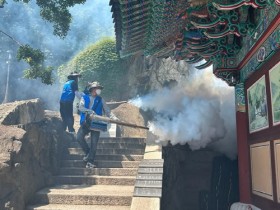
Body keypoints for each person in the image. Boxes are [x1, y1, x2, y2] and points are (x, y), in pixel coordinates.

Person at [77, 81, 117, 169]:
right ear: (92, 89)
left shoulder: (100, 99)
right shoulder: (85, 98)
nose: (99, 90)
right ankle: (88, 153)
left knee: (94, 144)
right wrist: (90, 111)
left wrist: (114, 118)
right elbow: (81, 108)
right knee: (79, 138)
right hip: (86, 122)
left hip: (97, 123)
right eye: (97, 88)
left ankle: (90, 162)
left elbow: (107, 111)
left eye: (99, 89)